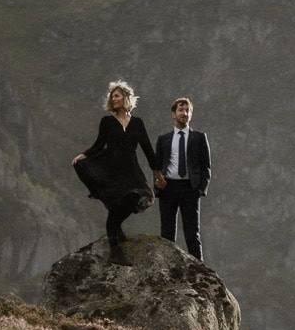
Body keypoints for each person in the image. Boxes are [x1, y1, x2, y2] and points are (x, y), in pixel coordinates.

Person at [72, 81, 165, 253]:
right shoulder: (107, 121)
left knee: (140, 196)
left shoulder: (137, 123)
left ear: (126, 98)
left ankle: (116, 228)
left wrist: (158, 174)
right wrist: (84, 155)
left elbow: (148, 149)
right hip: (112, 168)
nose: (113, 99)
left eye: (117, 95)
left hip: (131, 169)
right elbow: (99, 144)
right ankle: (114, 246)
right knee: (116, 205)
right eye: (112, 96)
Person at [155, 96, 211, 260]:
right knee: (167, 231)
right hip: (168, 187)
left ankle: (200, 270)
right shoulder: (163, 139)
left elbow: (206, 166)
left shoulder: (199, 137)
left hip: (190, 188)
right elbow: (157, 166)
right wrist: (158, 184)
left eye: (188, 111)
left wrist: (200, 189)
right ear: (173, 114)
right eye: (181, 110)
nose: (185, 113)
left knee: (192, 232)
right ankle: (166, 266)